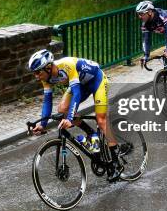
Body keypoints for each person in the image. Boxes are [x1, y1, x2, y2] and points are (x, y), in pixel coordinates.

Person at [28, 50, 124, 182]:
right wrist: (42, 125)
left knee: (101, 119)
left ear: (49, 67)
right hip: (80, 84)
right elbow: (47, 101)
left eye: (38, 72)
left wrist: (69, 119)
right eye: (34, 73)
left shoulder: (67, 65)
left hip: (97, 81)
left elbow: (77, 94)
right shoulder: (46, 78)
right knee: (62, 108)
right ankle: (91, 133)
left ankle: (115, 160)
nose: (36, 76)